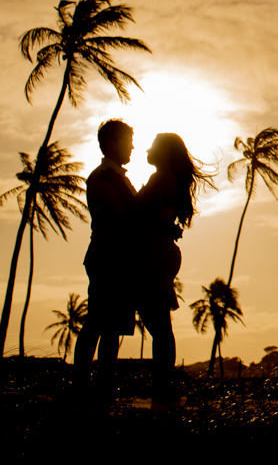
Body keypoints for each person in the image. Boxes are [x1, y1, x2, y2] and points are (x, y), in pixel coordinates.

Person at [135, 132, 209, 406]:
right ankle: (163, 382)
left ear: (164, 152)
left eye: (153, 145)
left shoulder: (161, 178)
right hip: (161, 251)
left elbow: (139, 214)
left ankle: (162, 384)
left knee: (158, 322)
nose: (147, 148)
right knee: (158, 322)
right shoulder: (169, 179)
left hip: (154, 253)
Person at [73, 119, 137, 399]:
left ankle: (102, 384)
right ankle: (83, 384)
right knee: (98, 322)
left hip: (115, 257)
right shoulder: (103, 178)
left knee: (110, 327)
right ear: (112, 144)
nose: (132, 147)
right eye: (128, 141)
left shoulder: (114, 177)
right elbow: (122, 217)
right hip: (107, 256)